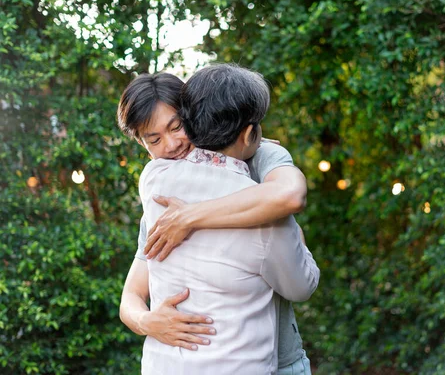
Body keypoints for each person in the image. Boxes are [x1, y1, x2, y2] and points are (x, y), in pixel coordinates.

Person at [117, 66, 318, 374]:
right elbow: (132, 292)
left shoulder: (260, 158)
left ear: (194, 117)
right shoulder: (160, 197)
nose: (170, 146)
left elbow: (288, 195)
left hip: (276, 358)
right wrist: (147, 321)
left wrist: (190, 217)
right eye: (153, 139)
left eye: (176, 127)